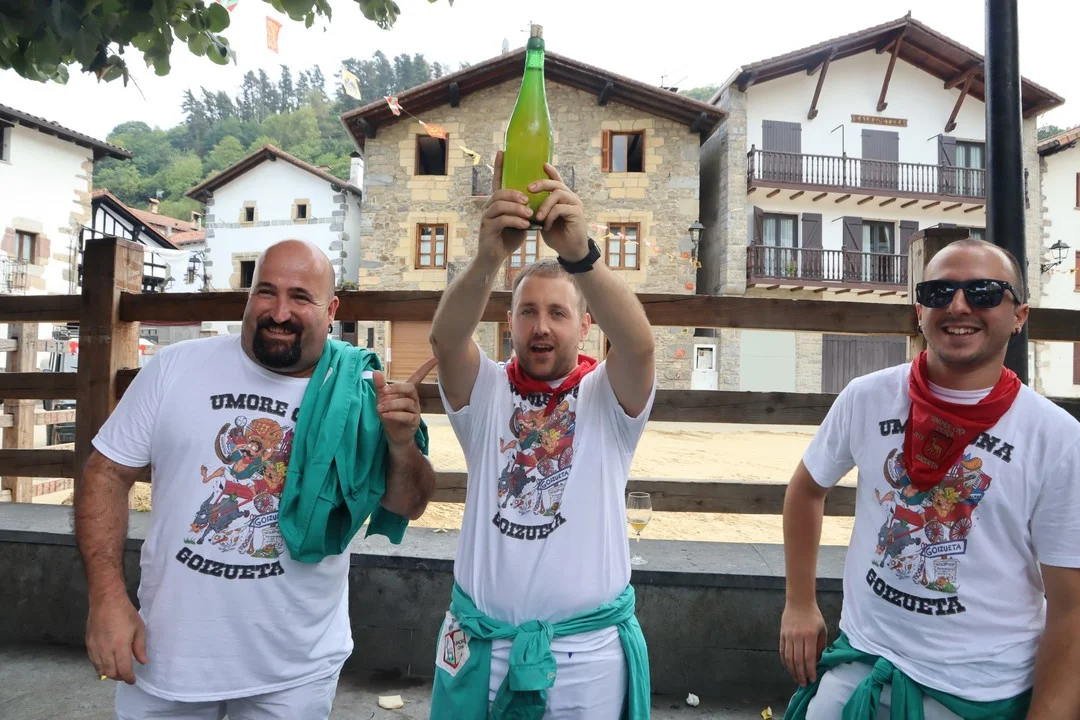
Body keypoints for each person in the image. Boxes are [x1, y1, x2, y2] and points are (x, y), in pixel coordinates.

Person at [74, 239, 437, 719]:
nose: (279, 312)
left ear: (331, 310)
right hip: (166, 655)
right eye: (266, 291)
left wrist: (401, 444)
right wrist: (106, 599)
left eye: (300, 297)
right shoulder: (175, 368)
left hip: (295, 669)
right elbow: (105, 472)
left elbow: (408, 504)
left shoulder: (359, 391)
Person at [780, 238, 1080, 719]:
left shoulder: (1057, 439)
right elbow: (806, 488)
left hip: (974, 693)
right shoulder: (867, 397)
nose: (958, 306)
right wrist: (799, 603)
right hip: (862, 663)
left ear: (1019, 316)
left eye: (983, 292)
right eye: (939, 292)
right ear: (920, 311)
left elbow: (1071, 608)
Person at [427, 152, 656, 719]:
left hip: (586, 658)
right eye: (527, 312)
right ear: (509, 323)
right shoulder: (487, 391)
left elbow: (639, 346)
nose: (541, 326)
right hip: (483, 648)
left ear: (586, 325)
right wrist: (489, 256)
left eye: (558, 312)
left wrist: (580, 254)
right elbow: (446, 341)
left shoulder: (607, 396)